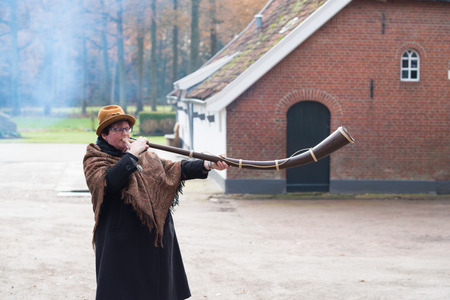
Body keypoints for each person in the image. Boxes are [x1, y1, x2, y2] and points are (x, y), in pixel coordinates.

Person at [83, 105, 230, 300]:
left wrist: (207, 164)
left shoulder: (143, 155)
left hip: (152, 241)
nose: (125, 133)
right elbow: (111, 183)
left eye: (127, 129)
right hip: (121, 243)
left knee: (155, 291)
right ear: (104, 134)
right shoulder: (94, 158)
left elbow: (173, 169)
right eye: (119, 129)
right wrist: (131, 155)